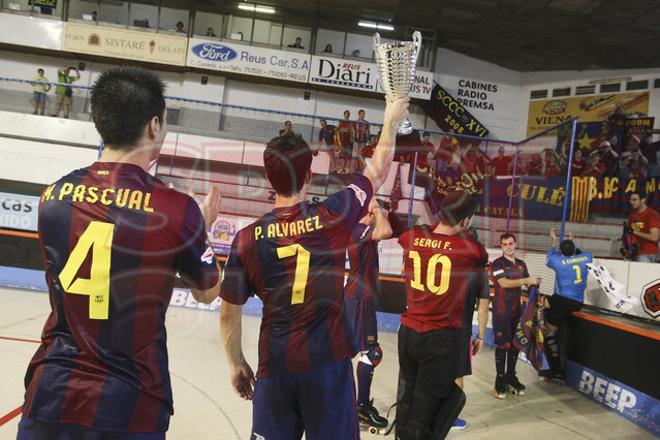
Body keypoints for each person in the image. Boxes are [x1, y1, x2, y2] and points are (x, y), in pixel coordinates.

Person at [17, 67, 222, 439]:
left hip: (50, 393)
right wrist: (200, 229)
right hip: (132, 402)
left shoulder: (52, 196)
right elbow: (207, 293)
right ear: (154, 125)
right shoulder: (176, 209)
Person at [218, 96, 409, 440]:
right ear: (309, 174)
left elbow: (229, 314)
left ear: (268, 175)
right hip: (328, 368)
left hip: (274, 369)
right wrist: (391, 120)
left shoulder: (246, 239)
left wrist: (236, 364)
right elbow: (377, 170)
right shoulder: (333, 216)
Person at [395, 191, 488, 440]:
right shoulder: (470, 249)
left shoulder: (412, 236)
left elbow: (403, 233)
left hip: (408, 333)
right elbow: (480, 256)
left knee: (406, 401)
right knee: (427, 414)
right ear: (466, 221)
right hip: (440, 338)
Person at [344, 198, 392, 429]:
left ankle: (348, 404)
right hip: (359, 298)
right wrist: (376, 209)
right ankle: (360, 406)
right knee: (371, 353)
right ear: (370, 215)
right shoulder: (359, 229)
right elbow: (386, 229)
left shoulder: (361, 230)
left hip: (361, 297)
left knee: (352, 350)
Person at [490, 233, 542, 399]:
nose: (508, 247)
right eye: (504, 244)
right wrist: (526, 280)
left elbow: (527, 283)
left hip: (517, 311)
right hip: (501, 311)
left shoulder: (521, 264)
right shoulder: (497, 263)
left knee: (514, 344)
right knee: (502, 345)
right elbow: (503, 283)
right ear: (501, 246)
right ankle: (499, 379)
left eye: (510, 243)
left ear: (515, 244)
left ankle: (511, 375)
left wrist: (533, 283)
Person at [543, 228, 593, 383]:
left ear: (562, 253)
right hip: (578, 301)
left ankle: (557, 371)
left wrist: (553, 240)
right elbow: (578, 255)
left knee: (548, 334)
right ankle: (555, 369)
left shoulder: (558, 262)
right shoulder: (586, 257)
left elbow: (549, 257)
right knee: (547, 300)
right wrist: (572, 242)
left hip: (563, 301)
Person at [453, 266, 489, 431]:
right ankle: (451, 417)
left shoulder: (444, 257)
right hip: (460, 331)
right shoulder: (480, 272)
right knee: (457, 374)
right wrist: (481, 336)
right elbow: (482, 307)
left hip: (433, 327)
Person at [628, 190, 659, 263]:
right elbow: (629, 235)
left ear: (643, 200)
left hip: (647, 253)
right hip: (633, 252)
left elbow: (655, 237)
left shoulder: (652, 215)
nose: (632, 202)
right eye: (631, 200)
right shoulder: (632, 215)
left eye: (634, 200)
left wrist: (634, 232)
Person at [336, 109, 355, 174]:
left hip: (349, 142)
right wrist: (339, 141)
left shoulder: (351, 123)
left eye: (348, 114)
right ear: (344, 115)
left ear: (349, 115)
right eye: (346, 114)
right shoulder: (341, 122)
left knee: (348, 156)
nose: (347, 115)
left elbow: (352, 131)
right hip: (343, 142)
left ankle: (346, 169)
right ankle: (342, 168)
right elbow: (337, 131)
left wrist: (352, 138)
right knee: (343, 156)